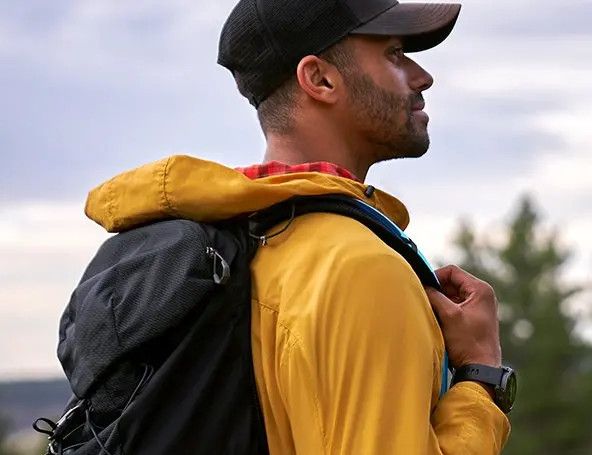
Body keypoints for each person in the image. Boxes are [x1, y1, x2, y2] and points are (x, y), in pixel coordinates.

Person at [84, 0, 514, 453]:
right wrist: (479, 377)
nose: (422, 75)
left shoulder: (239, 243)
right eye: (393, 53)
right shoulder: (361, 269)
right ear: (320, 79)